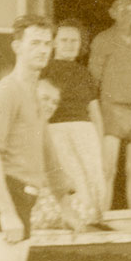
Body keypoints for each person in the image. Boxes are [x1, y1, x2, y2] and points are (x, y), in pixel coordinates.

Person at [0, 15, 75, 261]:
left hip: (26, 199)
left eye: (47, 44)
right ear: (17, 46)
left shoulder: (34, 92)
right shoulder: (5, 92)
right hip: (5, 197)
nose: (43, 50)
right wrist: (7, 212)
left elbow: (48, 153)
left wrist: (66, 206)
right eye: (35, 43)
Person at [88, 0, 131, 210]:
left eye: (130, 7)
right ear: (111, 13)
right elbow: (93, 78)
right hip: (112, 108)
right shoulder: (102, 39)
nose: (126, 12)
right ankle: (104, 215)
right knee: (108, 168)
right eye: (119, 7)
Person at [39, 19, 107, 224]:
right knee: (71, 178)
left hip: (85, 132)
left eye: (74, 41)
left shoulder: (85, 73)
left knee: (93, 176)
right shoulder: (44, 70)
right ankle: (74, 220)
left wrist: (101, 144)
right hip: (56, 131)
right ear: (54, 43)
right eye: (64, 40)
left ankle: (94, 220)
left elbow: (94, 111)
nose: (69, 44)